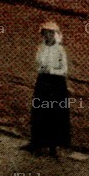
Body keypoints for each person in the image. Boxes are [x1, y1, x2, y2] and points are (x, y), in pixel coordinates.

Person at [25, 20, 71, 157]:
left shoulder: (60, 50)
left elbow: (64, 70)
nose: (48, 36)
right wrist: (42, 69)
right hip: (43, 83)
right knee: (40, 111)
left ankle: (54, 146)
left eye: (51, 33)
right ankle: (38, 142)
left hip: (57, 84)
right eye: (46, 33)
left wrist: (51, 70)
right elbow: (38, 64)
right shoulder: (41, 48)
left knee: (55, 113)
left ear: (55, 35)